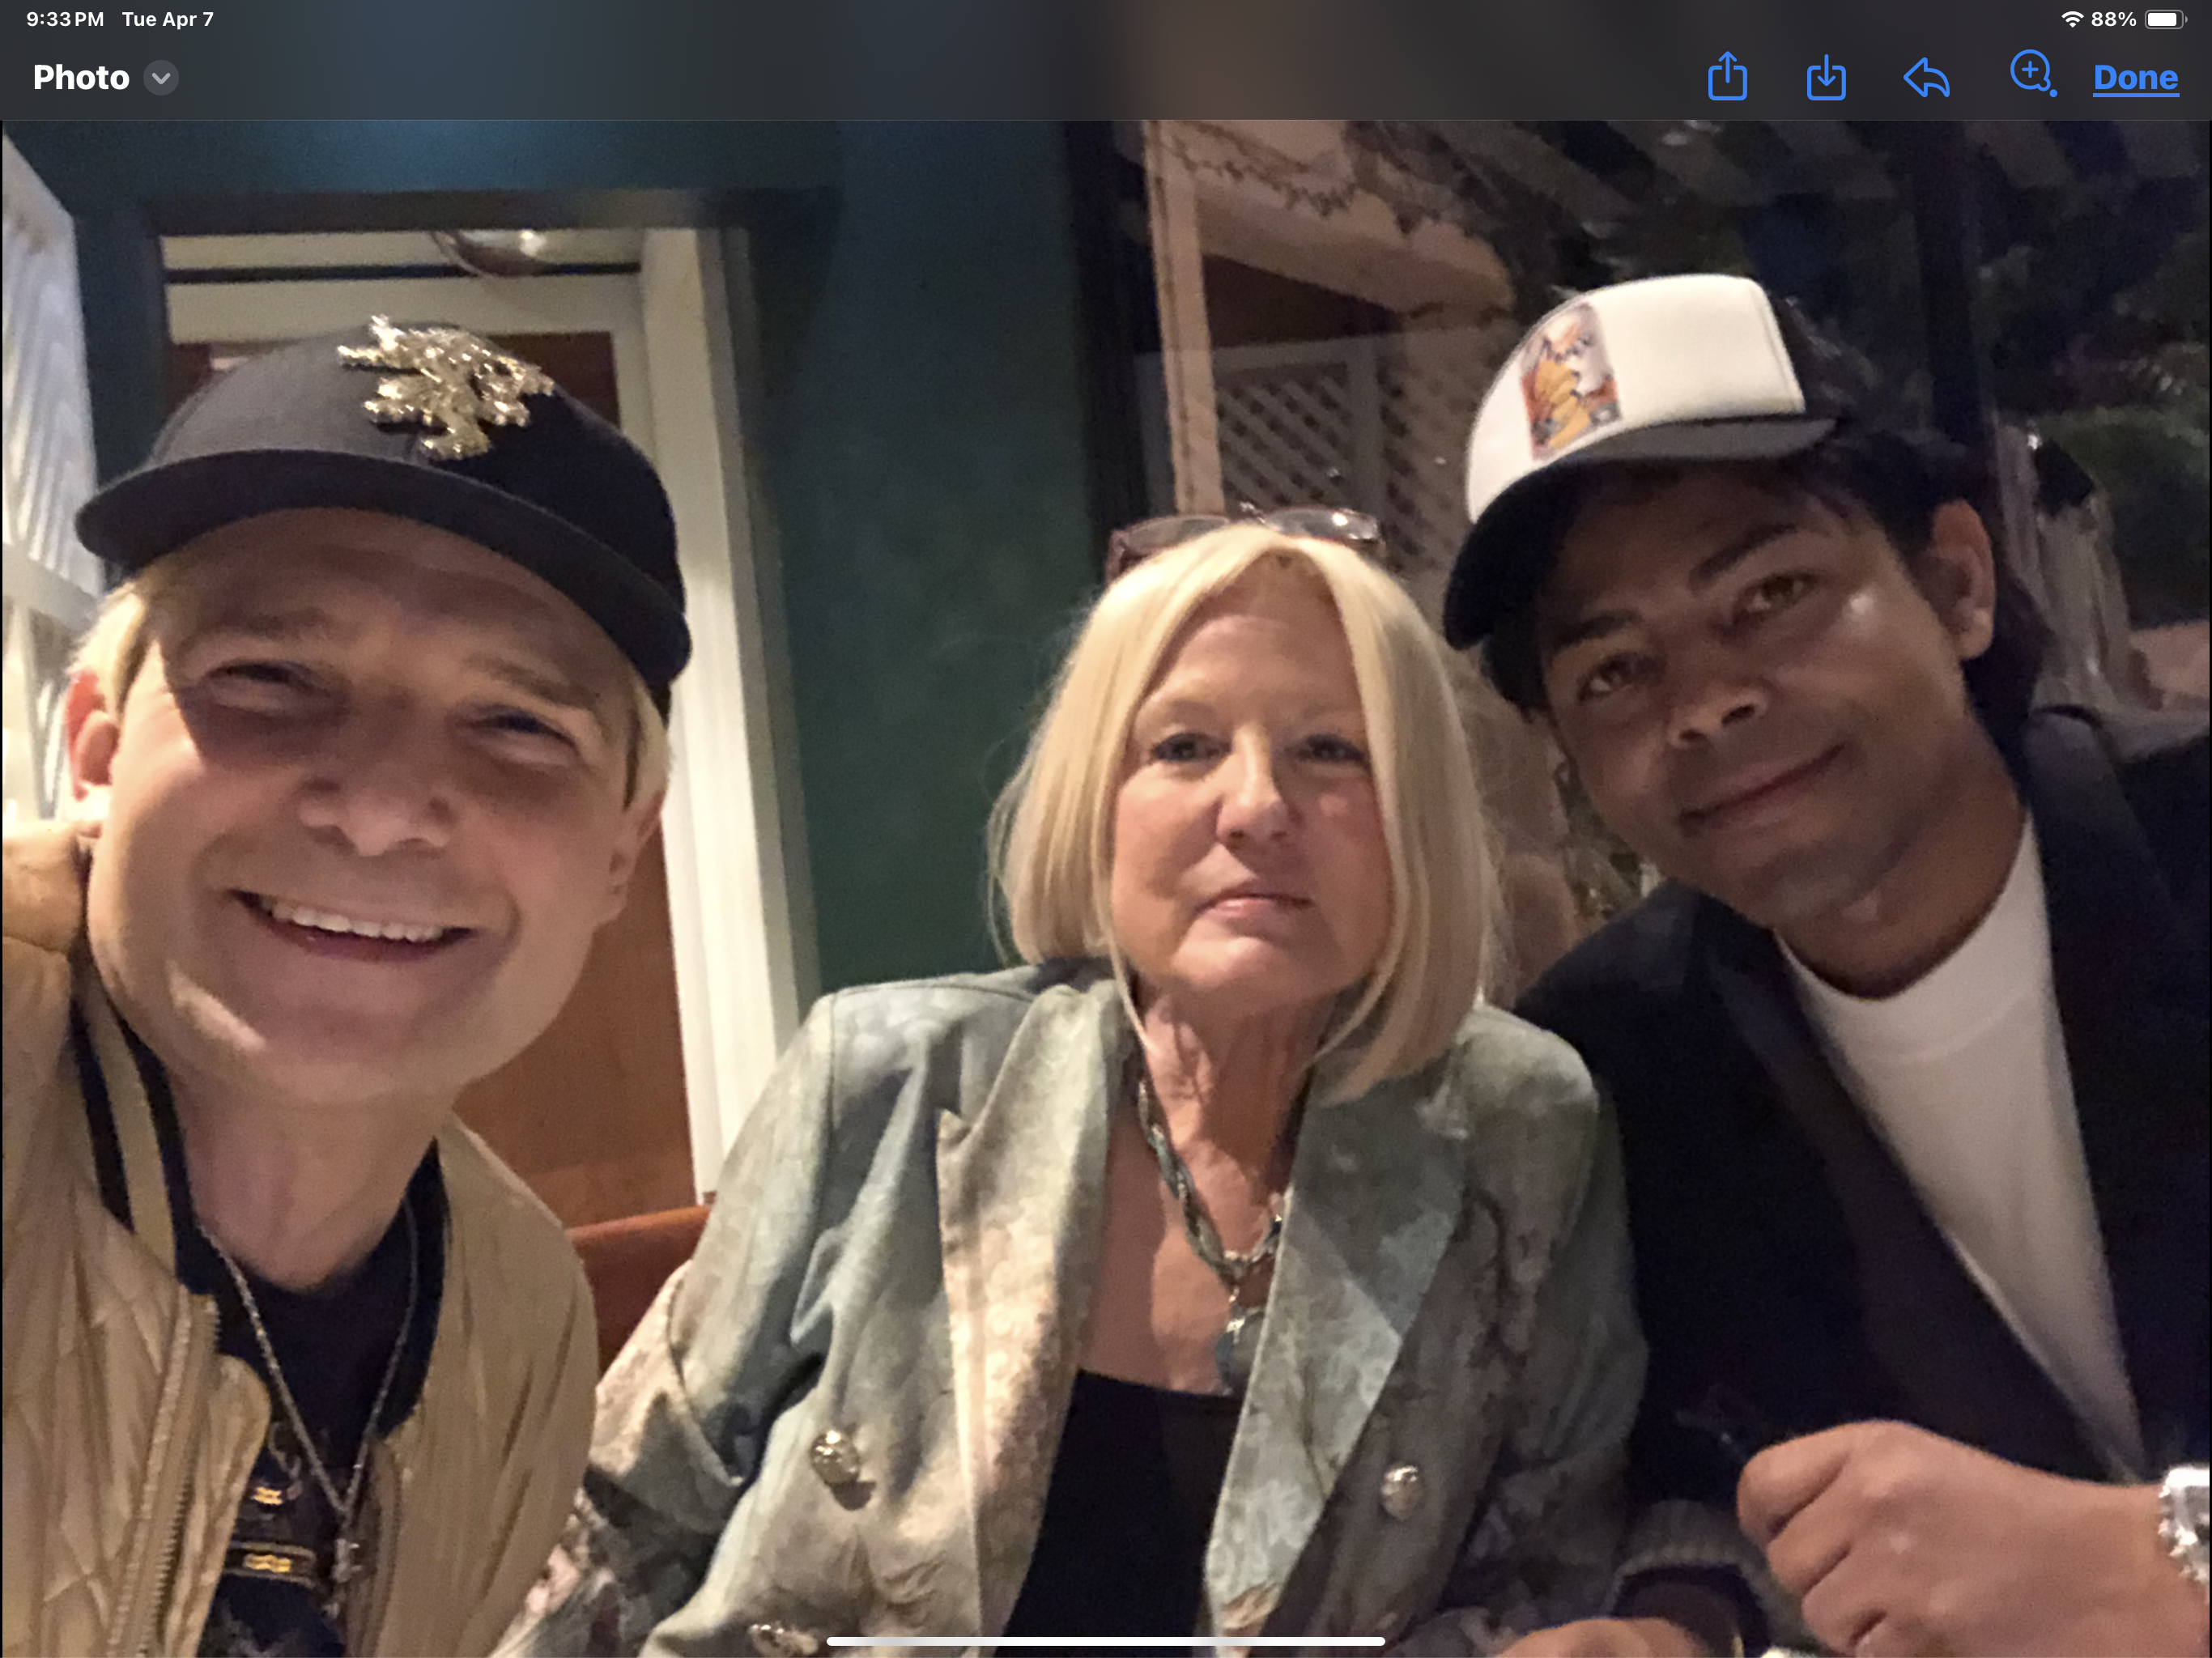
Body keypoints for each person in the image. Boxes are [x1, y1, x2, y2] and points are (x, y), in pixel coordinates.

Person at [504, 519, 1750, 1656]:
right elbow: (617, 1517)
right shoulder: (881, 1076)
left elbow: (1548, 1561)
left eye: (1331, 750)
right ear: (1098, 806)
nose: (1256, 807)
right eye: (1184, 746)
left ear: (1413, 817)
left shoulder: (1522, 1125)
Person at [1442, 272, 2209, 1656]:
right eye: (1613, 672)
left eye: (1772, 593)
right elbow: (1702, 1461)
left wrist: (2163, 1568)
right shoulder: (1623, 1061)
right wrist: (1679, 1628)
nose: (1703, 703)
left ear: (1958, 583)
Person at [2, 320, 690, 1656]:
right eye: (270, 678)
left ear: (621, 850)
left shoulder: (516, 1311)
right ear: (94, 753)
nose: (377, 809)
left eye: (518, 724)